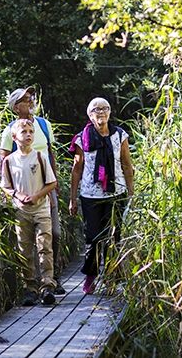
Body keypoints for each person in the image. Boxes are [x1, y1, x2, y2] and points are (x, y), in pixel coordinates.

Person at [0, 86, 66, 295]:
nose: (31, 101)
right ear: (16, 107)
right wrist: (10, 192)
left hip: (46, 186)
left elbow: (50, 154)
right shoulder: (10, 130)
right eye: (26, 99)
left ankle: (51, 279)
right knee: (26, 241)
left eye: (31, 97)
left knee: (53, 234)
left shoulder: (43, 125)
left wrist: (55, 186)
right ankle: (34, 283)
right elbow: (3, 162)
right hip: (22, 191)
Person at [68, 97, 134, 295]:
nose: (101, 112)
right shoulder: (82, 138)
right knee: (93, 237)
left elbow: (126, 164)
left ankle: (113, 277)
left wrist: (131, 192)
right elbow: (77, 169)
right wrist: (72, 198)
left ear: (110, 112)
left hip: (116, 193)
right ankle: (91, 275)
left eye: (104, 108)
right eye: (96, 109)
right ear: (90, 115)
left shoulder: (120, 135)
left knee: (114, 236)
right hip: (90, 195)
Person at [0, 118, 58, 306]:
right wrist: (16, 194)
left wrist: (36, 196)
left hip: (41, 208)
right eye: (24, 132)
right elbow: (5, 186)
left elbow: (52, 183)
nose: (28, 135)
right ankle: (30, 288)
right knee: (25, 250)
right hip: (21, 210)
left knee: (44, 246)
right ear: (14, 136)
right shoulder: (9, 161)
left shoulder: (40, 157)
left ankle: (47, 286)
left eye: (31, 132)